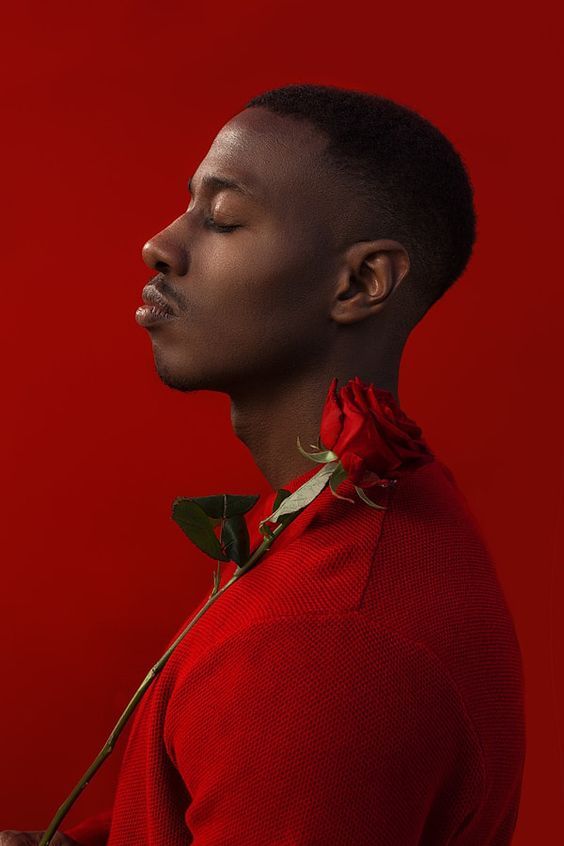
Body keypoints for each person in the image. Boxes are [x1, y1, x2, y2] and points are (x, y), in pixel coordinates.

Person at [1, 83, 526, 845]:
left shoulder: (325, 645)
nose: (161, 245)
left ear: (359, 283)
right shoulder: (350, 515)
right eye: (189, 207)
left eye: (222, 219)